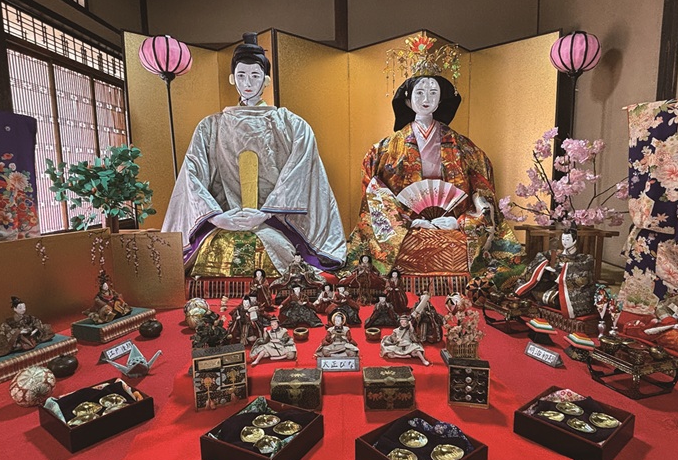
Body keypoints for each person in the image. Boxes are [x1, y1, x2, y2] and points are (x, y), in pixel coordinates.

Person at [163, 32, 346, 277]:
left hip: (276, 221)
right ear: (232, 78)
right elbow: (192, 175)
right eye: (241, 75)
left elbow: (299, 173)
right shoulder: (210, 127)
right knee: (214, 252)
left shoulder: (292, 125)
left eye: (255, 75)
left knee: (279, 250)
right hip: (224, 219)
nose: (247, 82)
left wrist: (265, 212)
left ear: (266, 80)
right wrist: (217, 217)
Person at [346, 61, 520, 274]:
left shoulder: (463, 147)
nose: (426, 99)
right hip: (406, 226)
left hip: (451, 222)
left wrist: (458, 221)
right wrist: (405, 220)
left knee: (463, 245)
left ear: (441, 100)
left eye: (433, 93)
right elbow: (373, 193)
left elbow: (482, 190)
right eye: (419, 93)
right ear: (408, 100)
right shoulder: (385, 149)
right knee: (401, 246)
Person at [514, 227, 595, 319]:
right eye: (563, 239)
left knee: (559, 300)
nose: (565, 242)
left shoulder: (583, 258)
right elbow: (541, 257)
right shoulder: (556, 254)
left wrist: (564, 269)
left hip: (567, 289)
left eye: (567, 239)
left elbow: (582, 272)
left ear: (574, 241)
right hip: (552, 284)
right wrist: (544, 265)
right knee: (534, 290)